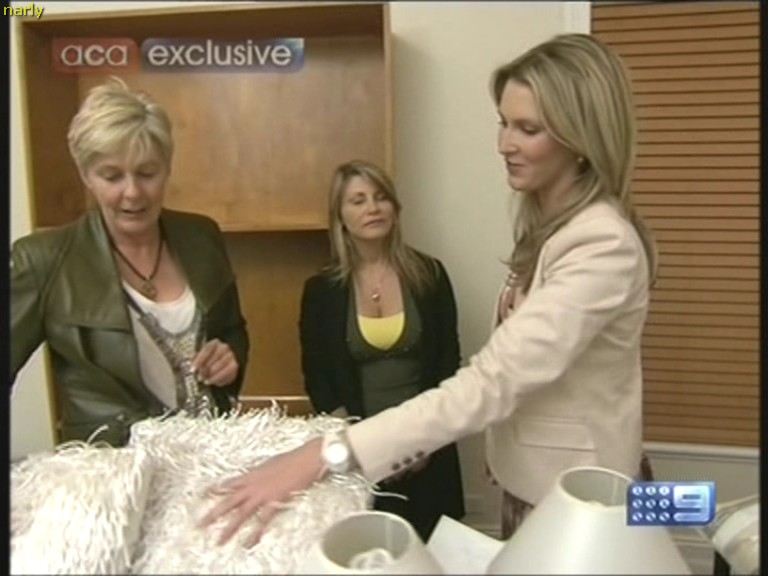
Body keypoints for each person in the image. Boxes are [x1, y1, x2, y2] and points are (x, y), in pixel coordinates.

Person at [201, 32, 658, 547]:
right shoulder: (549, 229)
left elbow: (494, 379)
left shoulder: (601, 244)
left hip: (582, 499)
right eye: (504, 123)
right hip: (535, 485)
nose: (504, 144)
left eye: (527, 129)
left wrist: (325, 453)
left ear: (582, 139)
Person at [10, 77, 250, 447]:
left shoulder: (202, 236)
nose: (133, 192)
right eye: (112, 176)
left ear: (167, 168)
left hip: (211, 457)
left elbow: (233, 331)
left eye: (147, 173)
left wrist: (230, 359)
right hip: (110, 467)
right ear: (86, 175)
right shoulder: (43, 260)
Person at [299, 159, 465, 540]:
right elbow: (318, 379)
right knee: (367, 552)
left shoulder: (431, 275)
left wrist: (423, 440)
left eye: (381, 197)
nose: (373, 208)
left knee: (433, 552)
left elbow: (448, 363)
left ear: (395, 207)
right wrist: (363, 448)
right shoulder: (321, 291)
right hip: (358, 455)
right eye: (358, 201)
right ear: (340, 217)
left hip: (429, 446)